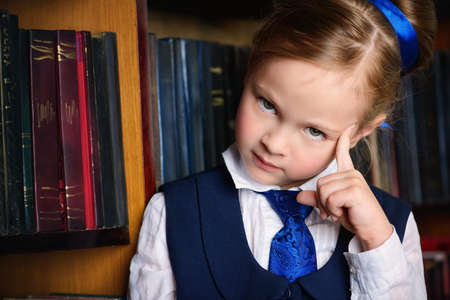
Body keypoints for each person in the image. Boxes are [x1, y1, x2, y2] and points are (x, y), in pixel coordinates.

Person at [128, 0, 437, 298]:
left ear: (360, 133)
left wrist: (376, 242)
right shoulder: (172, 211)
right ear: (250, 71)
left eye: (314, 131)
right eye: (267, 104)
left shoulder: (391, 229)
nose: (273, 143)